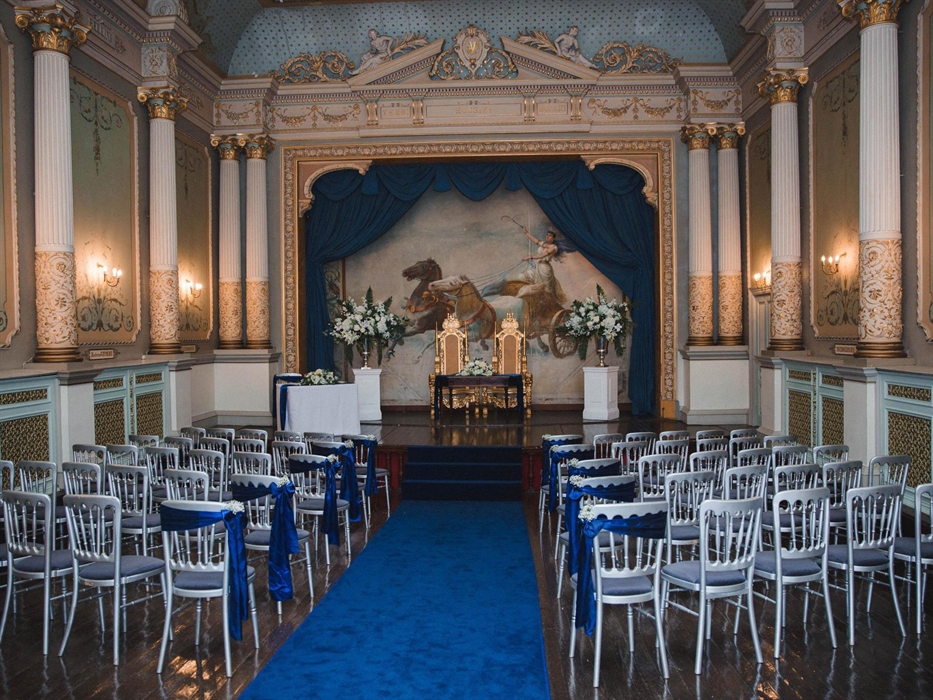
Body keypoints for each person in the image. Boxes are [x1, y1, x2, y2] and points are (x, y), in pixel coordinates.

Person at [516, 225, 574, 304]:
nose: (547, 236)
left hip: (545, 271)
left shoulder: (554, 247)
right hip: (538, 268)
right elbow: (535, 240)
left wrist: (530, 257)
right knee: (521, 276)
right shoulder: (544, 244)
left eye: (550, 236)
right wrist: (526, 232)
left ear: (553, 238)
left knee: (546, 292)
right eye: (547, 235)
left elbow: (542, 255)